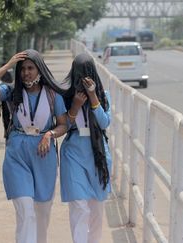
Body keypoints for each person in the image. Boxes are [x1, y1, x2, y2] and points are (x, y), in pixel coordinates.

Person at [0, 49, 67, 243]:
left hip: (44, 155)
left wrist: (49, 134)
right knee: (26, 210)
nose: (26, 72)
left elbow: (63, 124)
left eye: (30, 68)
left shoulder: (53, 95)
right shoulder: (11, 92)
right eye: (22, 69)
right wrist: (9, 65)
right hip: (17, 155)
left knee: (42, 212)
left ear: (40, 70)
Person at [60, 53, 112, 243]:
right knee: (79, 206)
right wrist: (75, 105)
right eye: (79, 73)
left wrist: (92, 96)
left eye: (87, 72)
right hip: (73, 152)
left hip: (97, 154)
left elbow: (104, 123)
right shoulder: (65, 95)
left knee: (97, 207)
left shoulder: (103, 96)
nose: (83, 77)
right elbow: (64, 126)